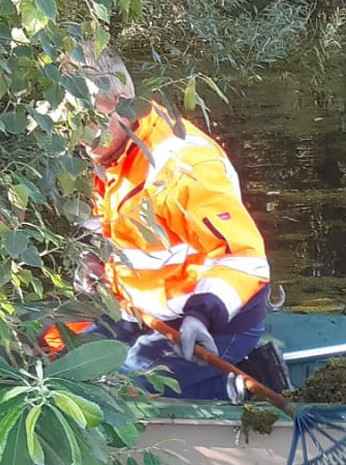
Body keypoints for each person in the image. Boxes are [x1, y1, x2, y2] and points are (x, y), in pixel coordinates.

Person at [61, 41, 284, 400]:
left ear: (121, 103)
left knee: (114, 393)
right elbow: (108, 231)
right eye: (70, 120)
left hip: (211, 323)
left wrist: (202, 316)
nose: (79, 132)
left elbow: (244, 258)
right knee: (61, 365)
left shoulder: (181, 166)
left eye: (88, 117)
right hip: (141, 313)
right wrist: (93, 263)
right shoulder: (104, 155)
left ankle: (241, 380)